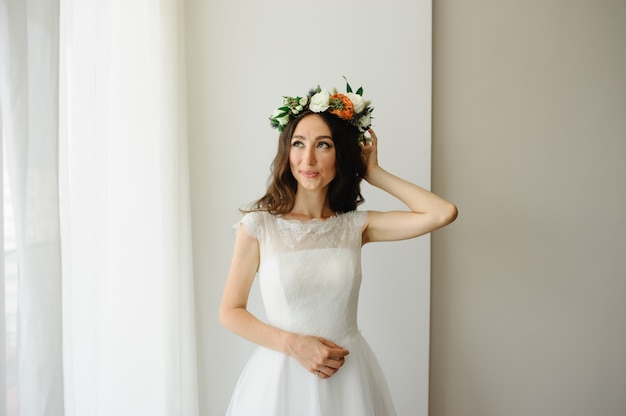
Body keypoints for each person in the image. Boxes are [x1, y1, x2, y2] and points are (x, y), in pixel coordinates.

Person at [219, 80, 457, 415]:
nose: (308, 158)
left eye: (324, 145)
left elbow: (442, 213)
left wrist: (374, 172)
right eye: (299, 144)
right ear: (287, 152)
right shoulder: (259, 226)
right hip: (282, 376)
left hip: (348, 379)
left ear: (341, 154)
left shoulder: (355, 226)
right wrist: (296, 346)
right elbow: (230, 312)